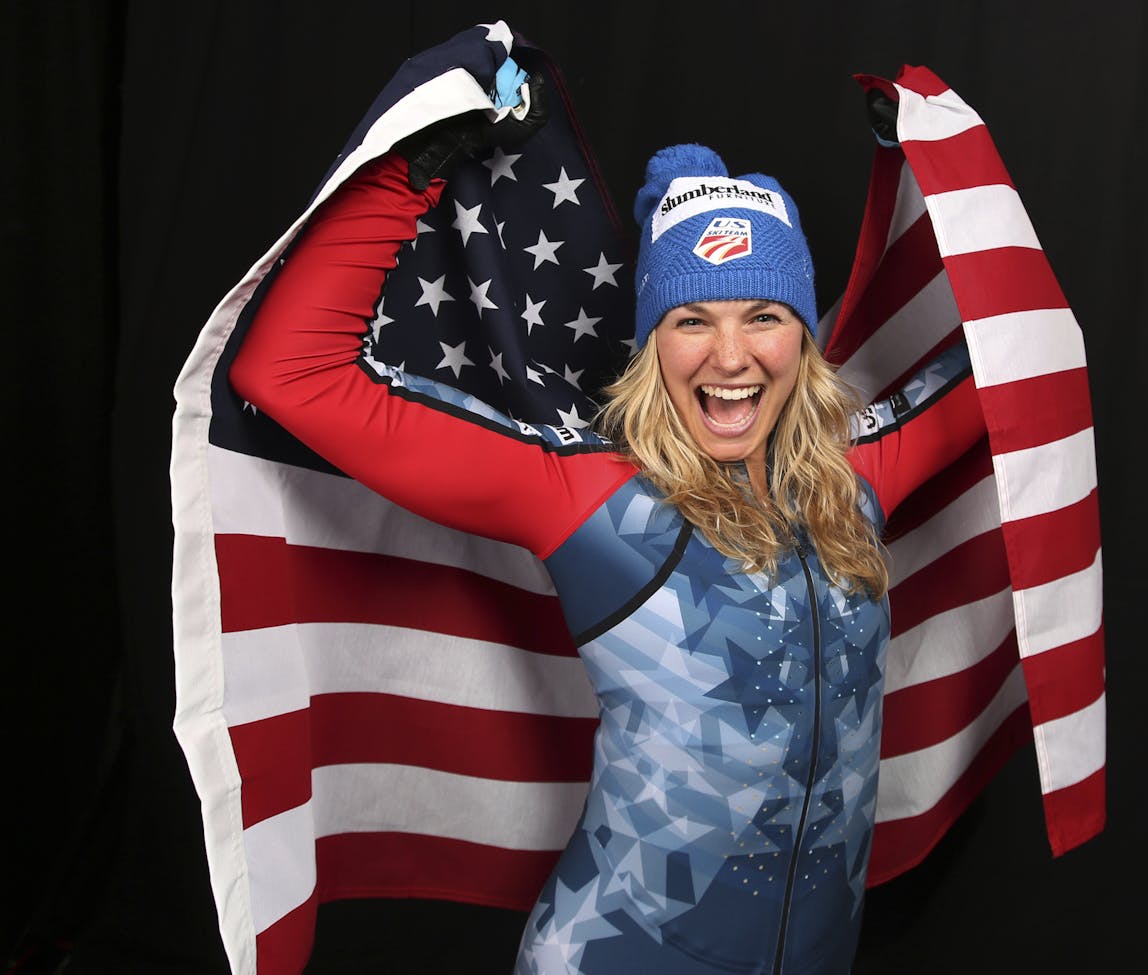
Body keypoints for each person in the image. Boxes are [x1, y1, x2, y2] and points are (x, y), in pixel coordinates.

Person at [228, 63, 985, 975]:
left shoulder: (860, 474)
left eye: (766, 315)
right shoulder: (591, 495)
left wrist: (945, 171)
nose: (732, 356)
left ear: (804, 338)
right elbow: (287, 374)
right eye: (691, 320)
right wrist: (414, 165)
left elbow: (1021, 355)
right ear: (650, 341)